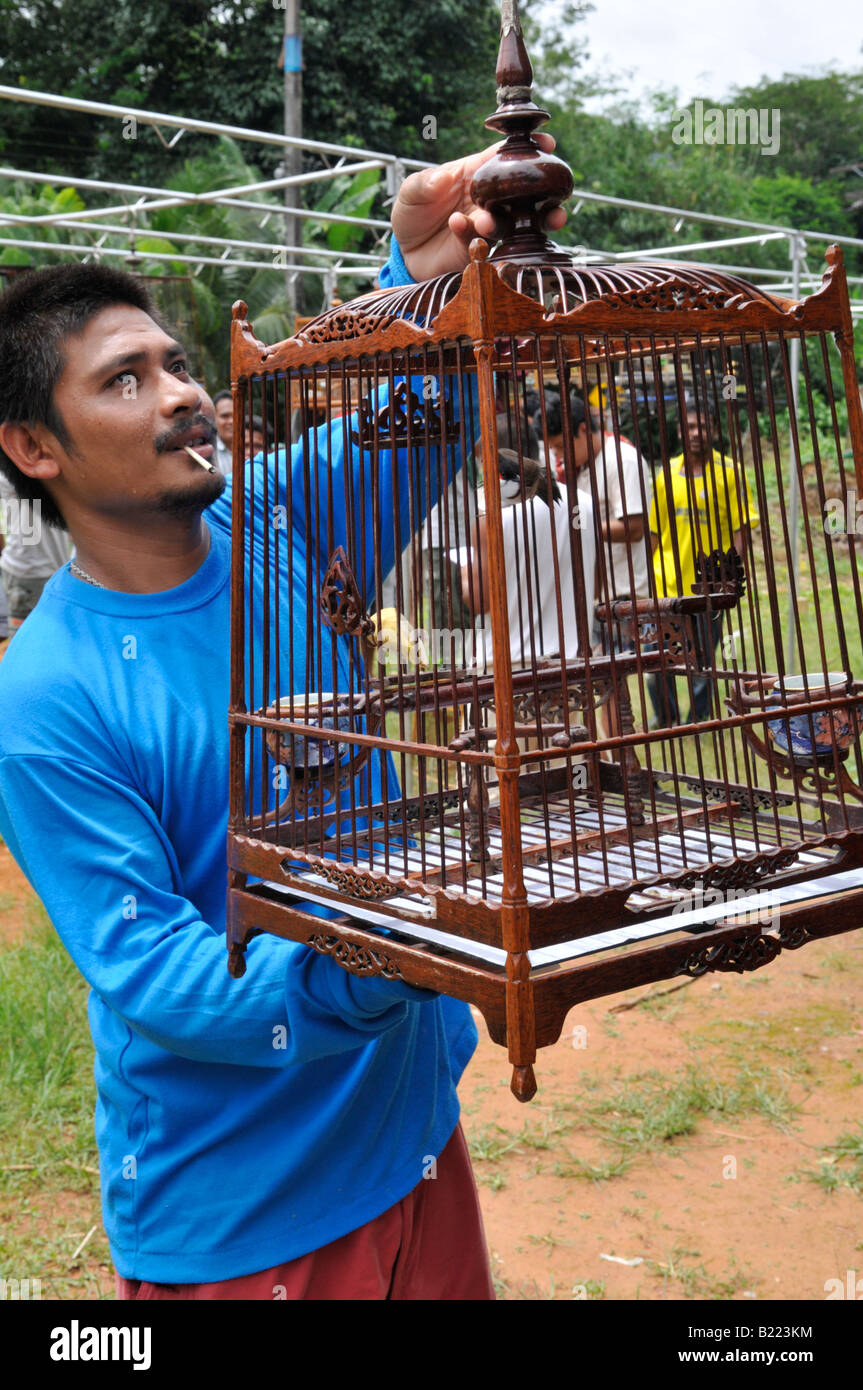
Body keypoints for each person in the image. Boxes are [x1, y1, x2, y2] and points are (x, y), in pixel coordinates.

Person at [0, 137, 566, 1301]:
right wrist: (392, 957)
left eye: (173, 362)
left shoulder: (276, 522)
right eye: (124, 380)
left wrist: (427, 275)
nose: (182, 392)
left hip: (407, 1135)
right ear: (32, 448)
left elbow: (431, 402)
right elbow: (160, 977)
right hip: (252, 1204)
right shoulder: (46, 695)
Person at [647, 394, 759, 727]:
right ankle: (665, 718)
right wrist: (647, 580)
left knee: (704, 659)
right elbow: (654, 533)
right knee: (662, 657)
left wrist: (729, 576)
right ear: (681, 430)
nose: (697, 432)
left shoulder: (730, 473)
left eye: (704, 425)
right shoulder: (666, 475)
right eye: (691, 425)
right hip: (668, 584)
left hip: (709, 586)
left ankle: (699, 720)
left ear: (715, 430)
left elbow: (743, 529)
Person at [462, 413, 596, 670]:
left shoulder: (490, 521)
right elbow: (594, 584)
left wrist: (466, 569)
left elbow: (478, 600)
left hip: (505, 669)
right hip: (569, 667)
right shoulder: (583, 504)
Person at [0, 469, 71, 635]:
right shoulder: (10, 470)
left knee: (53, 637)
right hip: (27, 573)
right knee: (24, 642)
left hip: (56, 569)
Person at [211, 388, 232, 476]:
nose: (231, 421)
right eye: (225, 416)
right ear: (213, 418)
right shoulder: (208, 451)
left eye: (237, 415)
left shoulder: (254, 448)